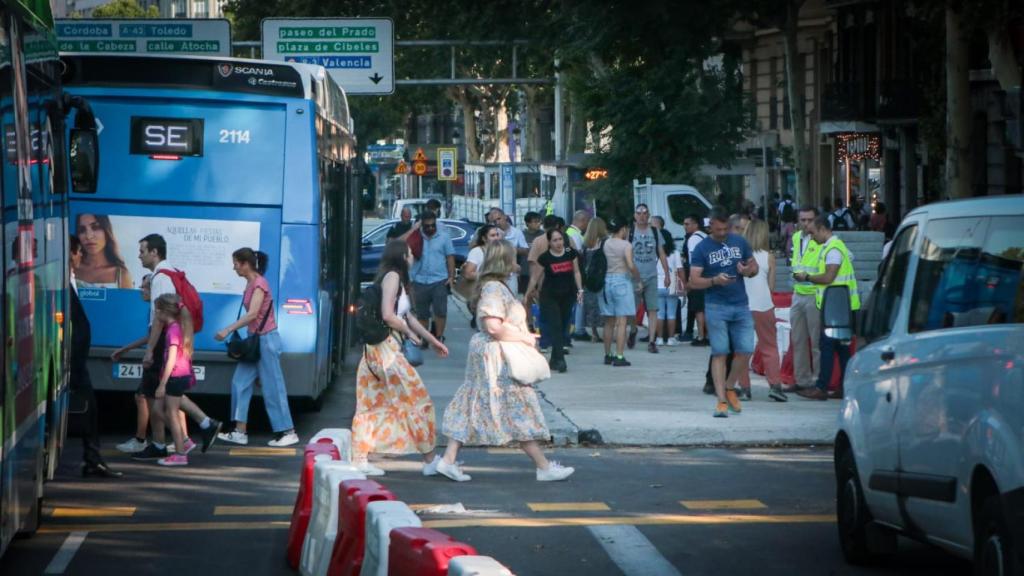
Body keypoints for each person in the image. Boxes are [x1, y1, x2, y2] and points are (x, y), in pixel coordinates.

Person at [437, 240, 574, 483]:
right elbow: (493, 326)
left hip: (491, 354)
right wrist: (525, 337)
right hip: (498, 357)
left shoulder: (494, 286)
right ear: (503, 261)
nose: (517, 261)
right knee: (516, 407)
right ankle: (543, 467)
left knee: (475, 401)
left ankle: (448, 459)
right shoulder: (494, 289)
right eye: (512, 257)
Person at [349, 240, 448, 476]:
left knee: (372, 403)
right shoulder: (393, 277)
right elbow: (389, 315)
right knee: (416, 399)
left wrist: (433, 340)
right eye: (411, 253)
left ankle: (361, 457)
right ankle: (429, 459)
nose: (413, 256)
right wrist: (409, 333)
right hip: (386, 351)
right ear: (403, 256)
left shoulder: (396, 279)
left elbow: (408, 316)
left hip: (379, 350)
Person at [132, 234, 221, 461]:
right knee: (165, 397)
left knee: (157, 395)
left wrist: (150, 349)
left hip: (161, 342)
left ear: (155, 252)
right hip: (166, 342)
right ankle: (197, 428)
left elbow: (158, 319)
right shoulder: (171, 272)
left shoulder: (160, 279)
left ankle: (164, 444)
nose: (139, 255)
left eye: (142, 250)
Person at [214, 248, 300, 447]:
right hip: (255, 341)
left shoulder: (260, 284)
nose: (233, 267)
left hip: (266, 340)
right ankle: (239, 431)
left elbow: (253, 314)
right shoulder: (251, 283)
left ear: (245, 264)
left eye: (235, 263)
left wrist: (227, 330)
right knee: (239, 383)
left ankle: (288, 431)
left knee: (273, 388)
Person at [689, 207, 758, 418]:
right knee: (720, 352)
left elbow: (753, 266)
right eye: (718, 229)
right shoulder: (702, 248)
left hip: (740, 304)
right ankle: (720, 400)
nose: (722, 233)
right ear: (710, 226)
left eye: (725, 228)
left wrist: (748, 271)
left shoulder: (739, 242)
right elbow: (693, 281)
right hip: (716, 306)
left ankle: (729, 387)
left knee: (746, 348)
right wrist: (714, 281)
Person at [69, 235, 122, 478]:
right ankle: (92, 459)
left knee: (90, 410)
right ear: (71, 253)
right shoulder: (60, 282)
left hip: (76, 362)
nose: (82, 256)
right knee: (88, 409)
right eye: (79, 252)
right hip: (72, 362)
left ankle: (93, 458)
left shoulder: (71, 281)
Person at [796, 216, 860, 401]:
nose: (812, 237)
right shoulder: (835, 247)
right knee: (842, 349)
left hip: (837, 308)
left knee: (827, 346)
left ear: (823, 229)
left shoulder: (833, 249)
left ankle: (822, 387)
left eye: (813, 233)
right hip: (841, 305)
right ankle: (843, 386)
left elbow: (828, 277)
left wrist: (807, 277)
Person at [150, 293, 202, 466]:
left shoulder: (173, 330)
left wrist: (162, 384)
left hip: (174, 376)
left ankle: (180, 453)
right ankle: (183, 442)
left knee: (172, 414)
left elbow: (171, 358)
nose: (155, 314)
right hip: (178, 375)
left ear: (164, 312)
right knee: (158, 409)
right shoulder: (177, 327)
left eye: (157, 310)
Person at [526, 228, 583, 373]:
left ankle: (553, 359)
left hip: (568, 294)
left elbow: (576, 272)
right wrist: (528, 294)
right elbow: (535, 277)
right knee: (555, 325)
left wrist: (580, 290)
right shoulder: (545, 258)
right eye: (555, 240)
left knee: (564, 325)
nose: (558, 243)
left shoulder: (571, 253)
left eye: (560, 239)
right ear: (549, 242)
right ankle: (561, 361)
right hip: (549, 296)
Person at [743, 220, 786, 402]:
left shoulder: (740, 255)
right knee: (769, 346)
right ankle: (775, 385)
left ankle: (744, 389)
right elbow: (771, 285)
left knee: (742, 349)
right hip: (764, 305)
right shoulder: (769, 257)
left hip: (743, 305)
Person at [111, 273, 155, 453]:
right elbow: (149, 336)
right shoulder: (153, 309)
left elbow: (153, 337)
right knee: (170, 399)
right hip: (159, 360)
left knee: (144, 397)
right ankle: (183, 439)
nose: (141, 290)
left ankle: (141, 440)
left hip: (157, 361)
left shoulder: (156, 309)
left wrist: (146, 354)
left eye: (145, 287)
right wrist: (125, 349)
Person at [789, 206, 823, 393]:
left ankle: (818, 381)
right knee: (798, 339)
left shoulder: (820, 239)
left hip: (814, 293)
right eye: (802, 220)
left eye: (809, 220)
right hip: (798, 292)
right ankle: (802, 380)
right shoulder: (796, 237)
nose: (806, 223)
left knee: (816, 341)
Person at [629, 204, 670, 353]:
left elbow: (661, 253)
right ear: (635, 215)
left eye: (645, 213)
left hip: (651, 275)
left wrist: (666, 274)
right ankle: (633, 329)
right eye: (639, 213)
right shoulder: (630, 232)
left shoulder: (654, 231)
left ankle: (652, 341)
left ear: (648, 215)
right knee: (631, 310)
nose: (642, 216)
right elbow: (626, 254)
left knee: (652, 309)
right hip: (634, 275)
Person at [410, 210, 456, 342]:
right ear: (421, 225)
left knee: (440, 311)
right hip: (420, 280)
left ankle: (438, 337)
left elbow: (450, 256)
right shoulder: (416, 237)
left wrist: (451, 277)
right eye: (427, 226)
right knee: (422, 313)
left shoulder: (444, 237)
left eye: (433, 225)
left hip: (439, 280)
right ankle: (425, 338)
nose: (430, 228)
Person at [601, 218, 641, 366]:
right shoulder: (626, 245)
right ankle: (619, 356)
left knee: (609, 321)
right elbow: (630, 265)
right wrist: (638, 278)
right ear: (623, 229)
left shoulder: (606, 243)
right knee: (622, 321)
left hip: (607, 281)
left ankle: (607, 354)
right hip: (622, 281)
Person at [75, 213, 132, 288]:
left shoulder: (121, 275)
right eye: (82, 230)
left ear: (106, 231)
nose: (88, 236)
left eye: (95, 227)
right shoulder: (72, 269)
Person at [650, 217, 681, 347]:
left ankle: (659, 338)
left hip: (657, 284)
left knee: (660, 314)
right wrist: (683, 284)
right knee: (672, 313)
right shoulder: (675, 253)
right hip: (672, 284)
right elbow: (680, 270)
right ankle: (671, 338)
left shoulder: (654, 253)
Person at [681, 215, 708, 346]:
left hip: (698, 276)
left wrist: (691, 279)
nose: (685, 227)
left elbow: (693, 260)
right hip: (709, 275)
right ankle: (707, 334)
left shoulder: (692, 239)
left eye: (688, 224)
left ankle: (701, 336)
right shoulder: (705, 236)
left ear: (696, 224)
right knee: (705, 307)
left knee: (698, 308)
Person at [581, 217, 608, 342]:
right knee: (603, 305)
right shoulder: (605, 242)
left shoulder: (586, 244)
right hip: (602, 277)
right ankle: (607, 330)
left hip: (588, 279)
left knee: (591, 306)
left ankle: (594, 333)